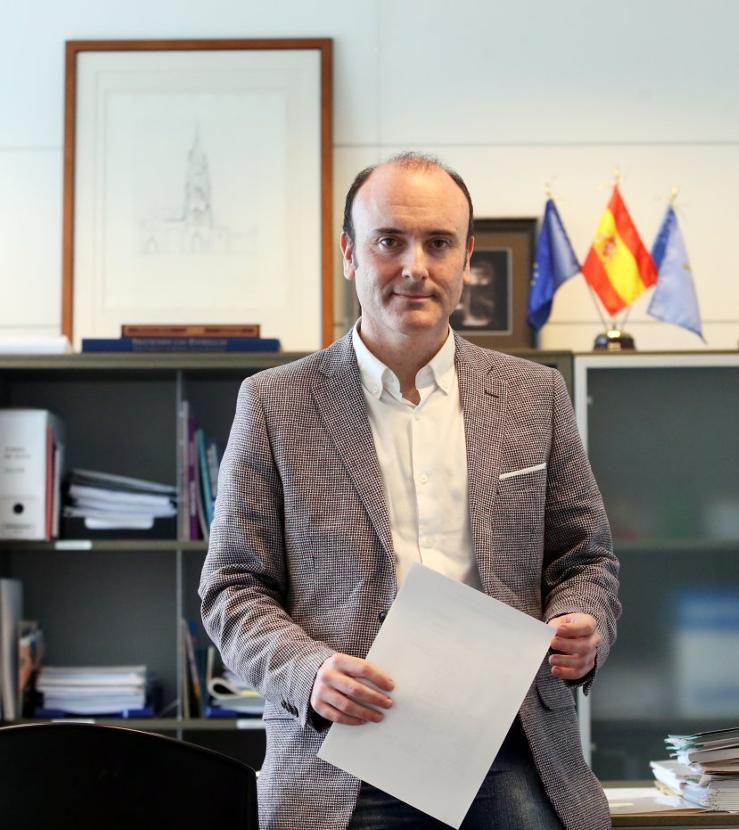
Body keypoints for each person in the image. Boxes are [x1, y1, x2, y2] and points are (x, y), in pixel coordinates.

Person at [199, 152, 620, 830]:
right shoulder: (274, 404)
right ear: (349, 254)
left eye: (438, 243)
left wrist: (583, 623)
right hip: (340, 755)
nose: (414, 266)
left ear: (466, 258)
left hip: (509, 751)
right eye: (389, 240)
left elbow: (584, 559)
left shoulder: (534, 396)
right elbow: (232, 590)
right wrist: (311, 674)